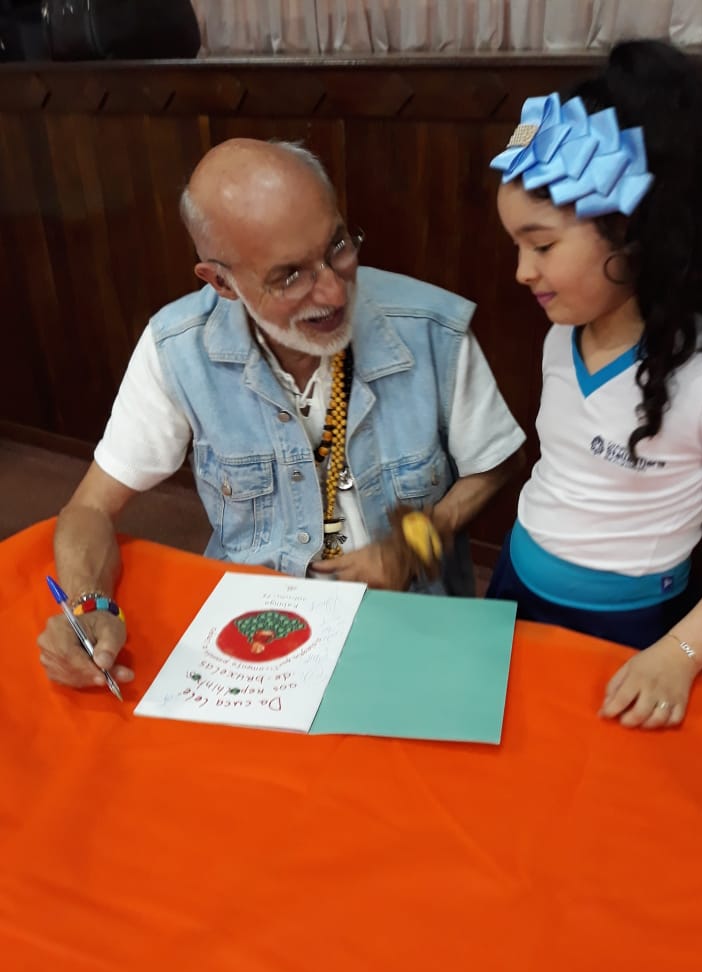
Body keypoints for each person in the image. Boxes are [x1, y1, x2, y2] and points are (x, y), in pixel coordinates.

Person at [38, 138, 524, 690]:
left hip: (411, 619)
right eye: (290, 275)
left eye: (337, 246)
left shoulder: (431, 327)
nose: (333, 291)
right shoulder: (178, 348)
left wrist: (418, 542)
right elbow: (90, 507)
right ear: (221, 282)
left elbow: (497, 463)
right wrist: (87, 606)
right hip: (258, 629)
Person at [487, 40, 702, 730]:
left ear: (634, 231)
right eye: (516, 245)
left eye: (542, 245)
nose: (523, 271)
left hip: (633, 627)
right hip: (515, 585)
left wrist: (680, 653)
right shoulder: (563, 332)